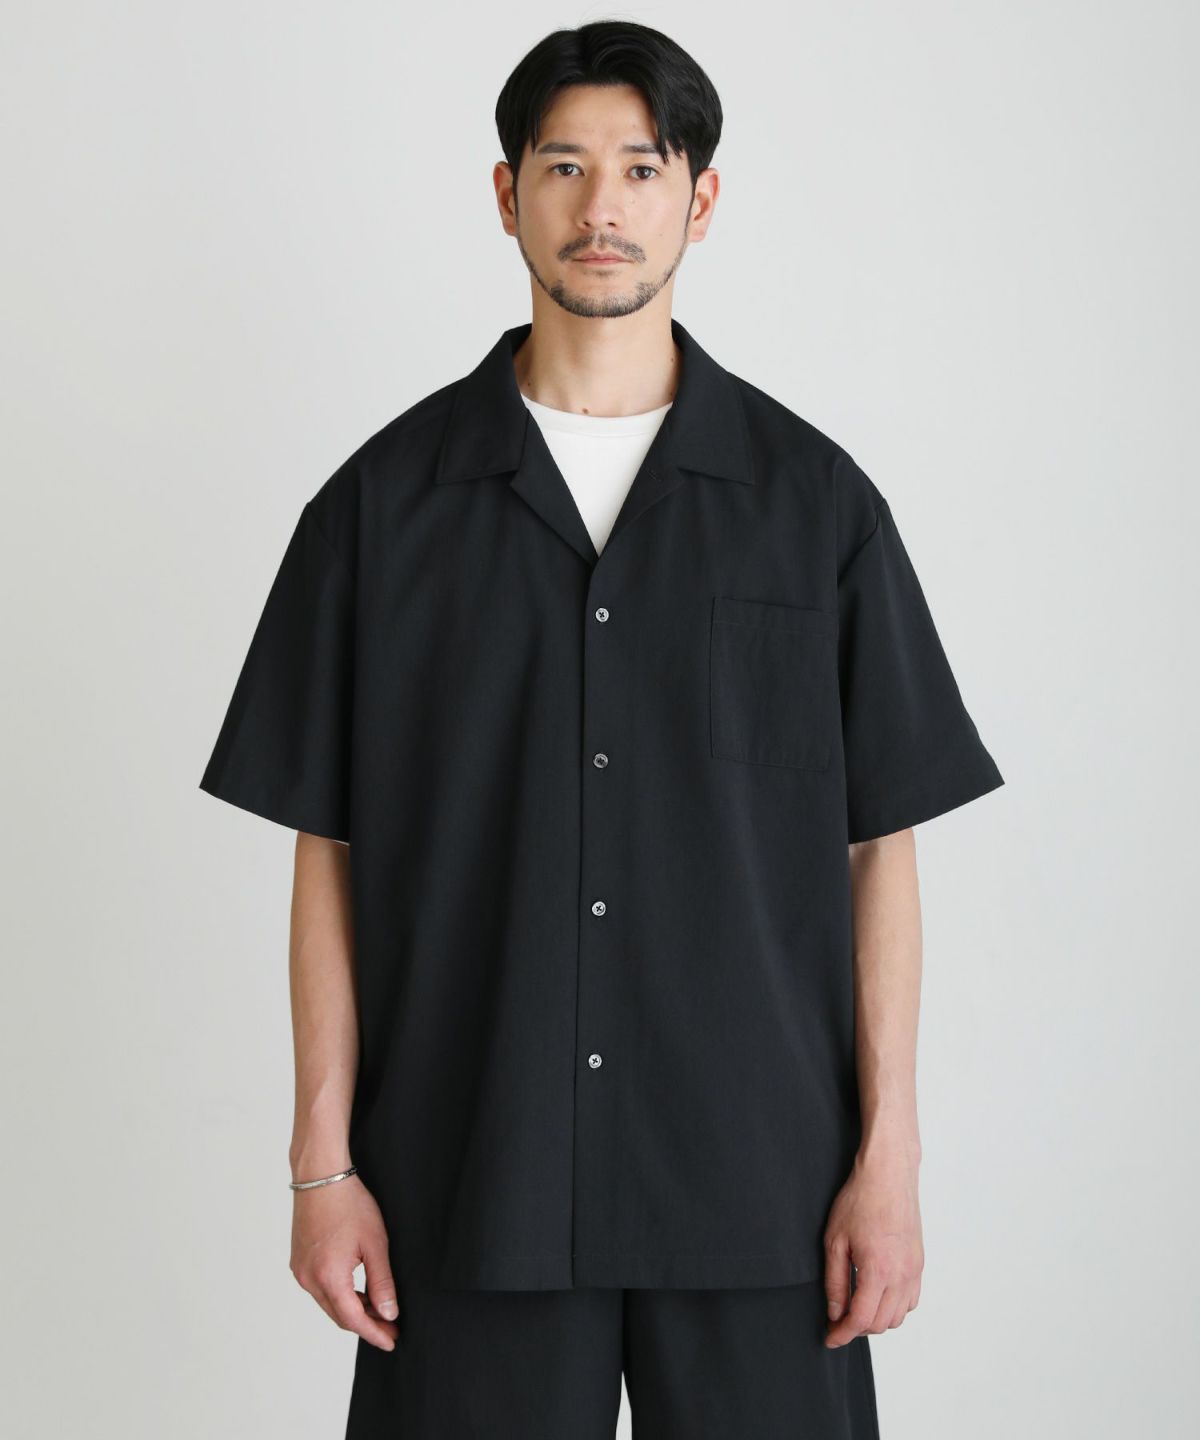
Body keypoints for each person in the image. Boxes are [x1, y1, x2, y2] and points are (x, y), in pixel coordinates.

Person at [199, 19, 1004, 1438]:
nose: (602, 206)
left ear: (702, 198)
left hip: (764, 1190)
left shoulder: (816, 508)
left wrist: (891, 1159)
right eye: (564, 166)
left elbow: (881, 848)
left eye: (642, 167)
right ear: (506, 193)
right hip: (472, 1177)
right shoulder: (381, 511)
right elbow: (330, 847)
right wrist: (323, 1163)